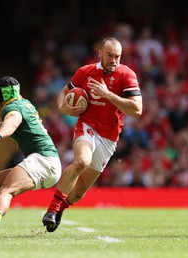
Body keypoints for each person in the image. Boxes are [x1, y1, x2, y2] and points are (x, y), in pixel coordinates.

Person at [42, 37, 143, 232]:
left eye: (117, 57)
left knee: (79, 192)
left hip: (109, 137)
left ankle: (60, 209)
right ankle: (52, 210)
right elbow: (64, 93)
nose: (114, 60)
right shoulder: (85, 72)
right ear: (100, 53)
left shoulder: (126, 75)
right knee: (82, 161)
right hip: (87, 125)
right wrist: (63, 107)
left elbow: (137, 110)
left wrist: (108, 95)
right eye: (110, 55)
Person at [0, 76, 61, 239]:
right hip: (47, 162)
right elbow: (19, 124)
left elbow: (13, 122)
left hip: (43, 160)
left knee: (5, 190)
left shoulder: (11, 108)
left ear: (0, 95)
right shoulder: (24, 103)